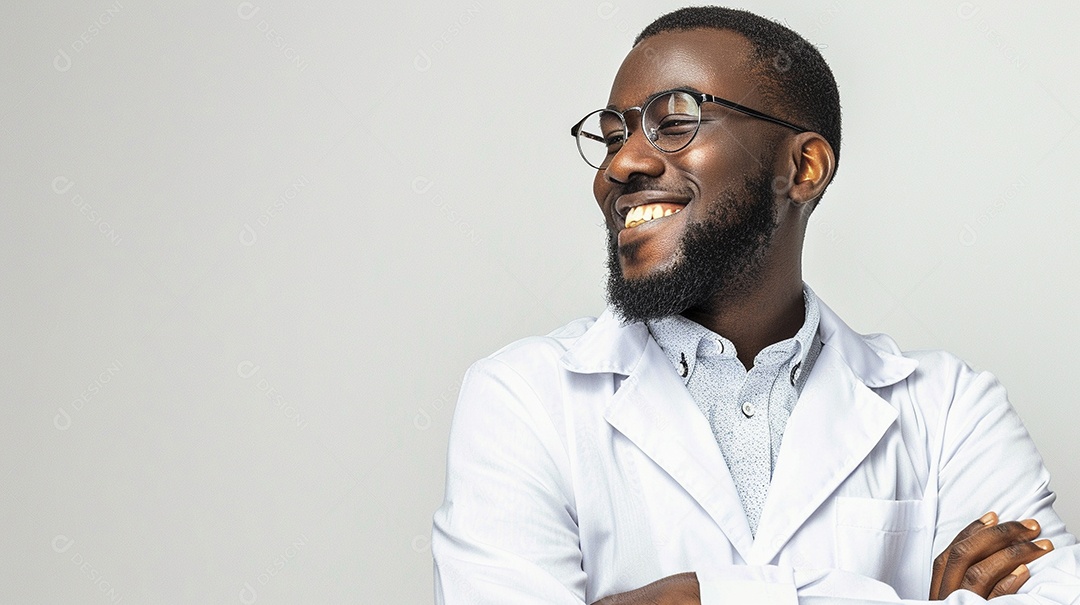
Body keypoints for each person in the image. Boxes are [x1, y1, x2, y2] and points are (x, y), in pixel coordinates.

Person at [431, 6, 1080, 604]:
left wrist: (703, 595)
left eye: (676, 121)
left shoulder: (950, 409)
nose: (621, 164)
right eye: (610, 137)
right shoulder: (523, 397)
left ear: (803, 168)